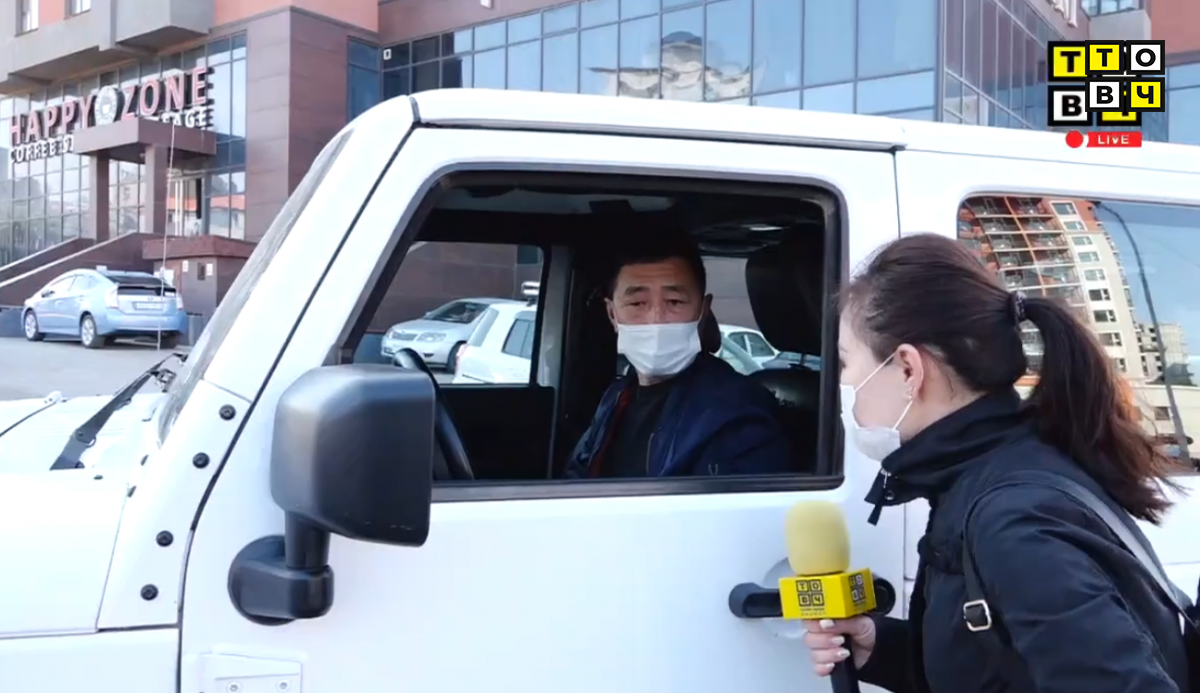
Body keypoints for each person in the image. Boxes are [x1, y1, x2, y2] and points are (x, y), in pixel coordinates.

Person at [802, 233, 1188, 692]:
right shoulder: (990, 476)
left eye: (846, 363)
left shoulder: (1014, 519)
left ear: (908, 368)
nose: (843, 384)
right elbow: (996, 667)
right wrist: (879, 648)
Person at [563, 235, 790, 478]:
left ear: (703, 311)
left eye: (674, 301)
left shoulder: (736, 415)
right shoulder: (615, 397)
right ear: (612, 314)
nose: (656, 319)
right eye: (637, 303)